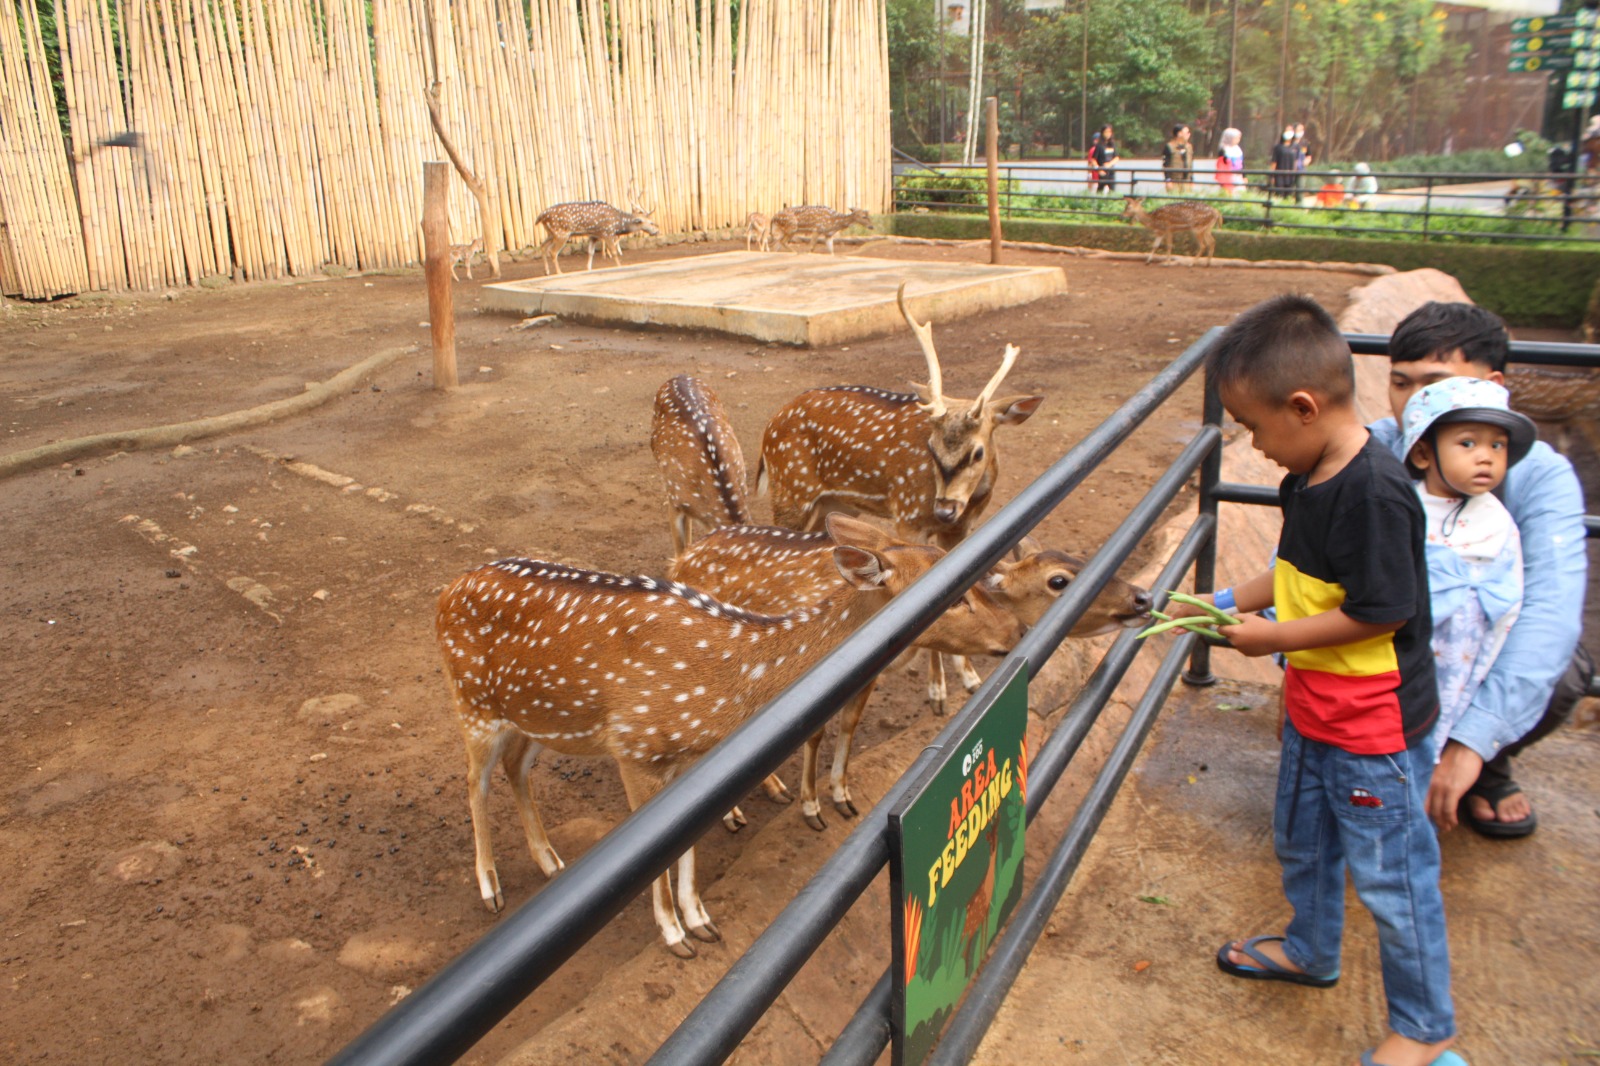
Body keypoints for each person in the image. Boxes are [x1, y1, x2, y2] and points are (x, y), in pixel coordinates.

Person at [1178, 294, 1460, 1066]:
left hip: (1375, 732)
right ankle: (1310, 949)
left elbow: (1379, 612)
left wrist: (1269, 639)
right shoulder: (1306, 477)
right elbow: (1295, 574)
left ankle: (1424, 1030)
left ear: (1302, 408)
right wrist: (1224, 603)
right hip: (1314, 708)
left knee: (1393, 881)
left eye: (1253, 427)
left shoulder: (1373, 492)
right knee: (1303, 844)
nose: (1252, 444)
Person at [1373, 302, 1590, 838]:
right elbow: (1304, 564)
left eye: (1435, 385)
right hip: (1388, 642)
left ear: (1493, 386)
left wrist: (1474, 740)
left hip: (1475, 646)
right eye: (1401, 384)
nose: (1413, 404)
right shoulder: (1371, 451)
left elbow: (1551, 608)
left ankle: (1482, 761)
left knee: (1564, 673)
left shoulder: (1540, 474)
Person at [1398, 378, 1537, 765]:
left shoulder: (1499, 522)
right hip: (1406, 651)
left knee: (1439, 730)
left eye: (1497, 445)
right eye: (1468, 443)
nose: (1486, 457)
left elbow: (1511, 590)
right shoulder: (1402, 509)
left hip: (1465, 658)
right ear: (1424, 453)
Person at [1162, 123, 1194, 193]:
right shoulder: (1170, 146)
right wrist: (1168, 180)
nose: (1189, 134)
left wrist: (1192, 179)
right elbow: (1166, 165)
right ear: (1179, 134)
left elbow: (1190, 164)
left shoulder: (1189, 147)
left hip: (1187, 181)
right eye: (1187, 133)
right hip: (1174, 181)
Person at [1269, 127, 1298, 199]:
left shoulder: (1295, 146)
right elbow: (1274, 162)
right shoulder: (1278, 147)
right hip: (1279, 175)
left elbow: (1295, 161)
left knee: (1288, 195)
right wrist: (1272, 175)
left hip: (1290, 175)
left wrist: (1294, 173)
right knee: (1279, 195)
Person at [1089, 124, 1118, 193]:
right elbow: (1093, 159)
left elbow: (1116, 157)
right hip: (1102, 171)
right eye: (1106, 132)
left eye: (1109, 132)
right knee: (1100, 190)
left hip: (1111, 172)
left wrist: (1110, 164)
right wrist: (1098, 169)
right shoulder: (1099, 145)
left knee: (1112, 191)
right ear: (1102, 133)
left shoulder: (1112, 144)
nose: (1108, 134)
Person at [1215, 127, 1244, 196]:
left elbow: (1242, 163)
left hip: (1238, 174)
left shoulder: (1238, 149)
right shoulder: (1224, 150)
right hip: (1228, 175)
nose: (1238, 140)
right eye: (1236, 138)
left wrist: (1244, 175)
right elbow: (1222, 165)